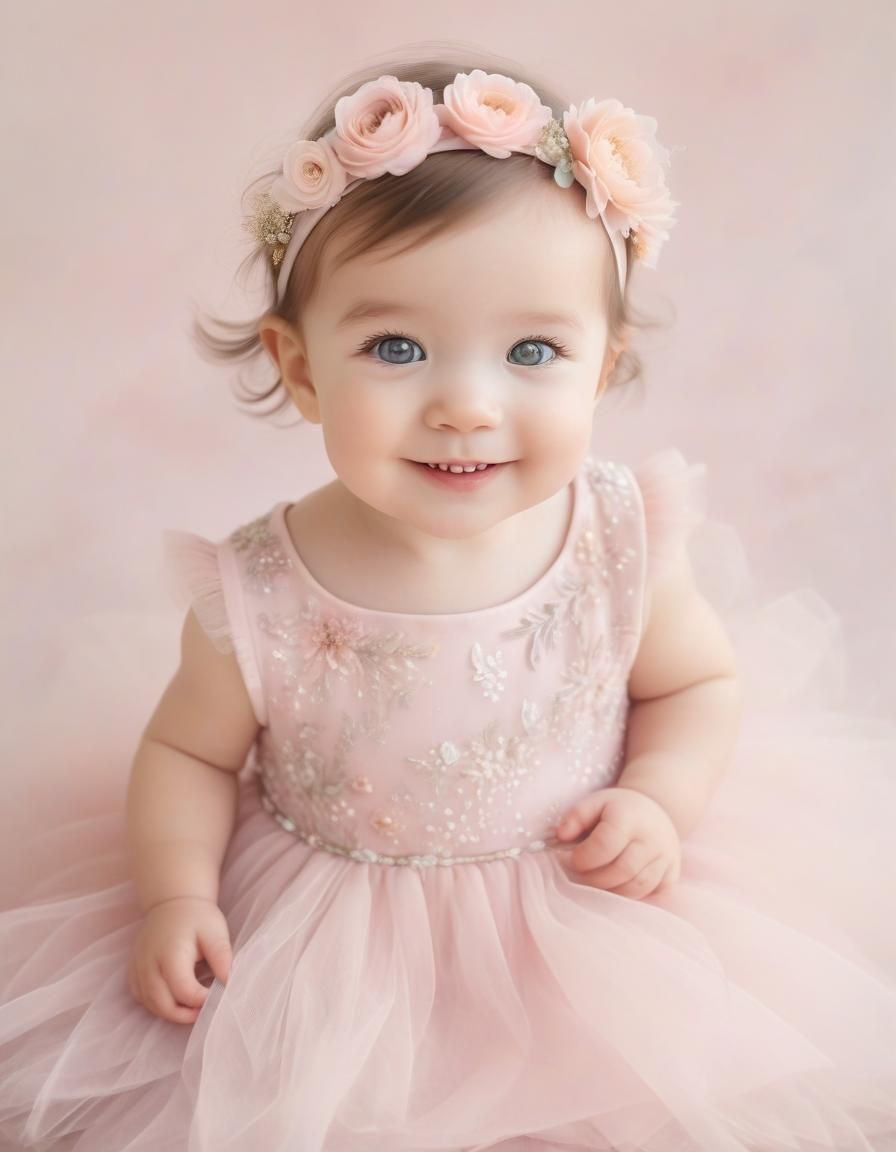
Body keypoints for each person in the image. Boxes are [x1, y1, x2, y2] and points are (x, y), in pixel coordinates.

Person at [1, 50, 894, 1152]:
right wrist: (175, 895)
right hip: (328, 950)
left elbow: (695, 684)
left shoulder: (617, 541)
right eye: (395, 347)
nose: (464, 406)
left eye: (530, 349)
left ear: (602, 366)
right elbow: (186, 756)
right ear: (298, 366)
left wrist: (657, 799)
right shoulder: (261, 590)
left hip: (581, 930)